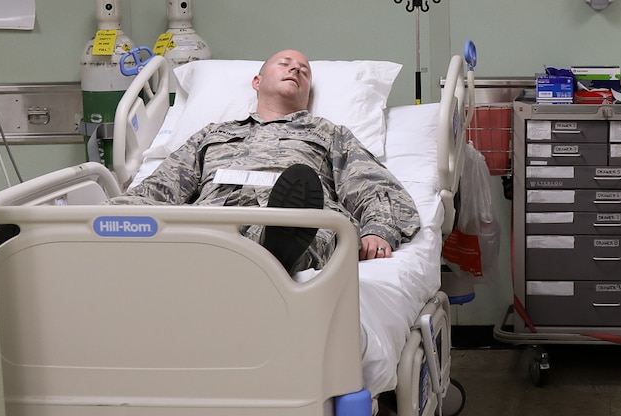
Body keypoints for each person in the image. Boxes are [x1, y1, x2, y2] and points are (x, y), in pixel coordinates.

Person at [117, 49, 420, 275]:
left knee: (317, 229)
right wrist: (112, 217)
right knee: (189, 231)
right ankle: (259, 254)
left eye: (304, 71)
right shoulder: (214, 133)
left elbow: (369, 183)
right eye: (285, 64)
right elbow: (162, 185)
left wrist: (378, 228)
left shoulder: (328, 132)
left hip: (297, 219)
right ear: (257, 81)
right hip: (216, 218)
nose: (296, 71)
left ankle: (276, 249)